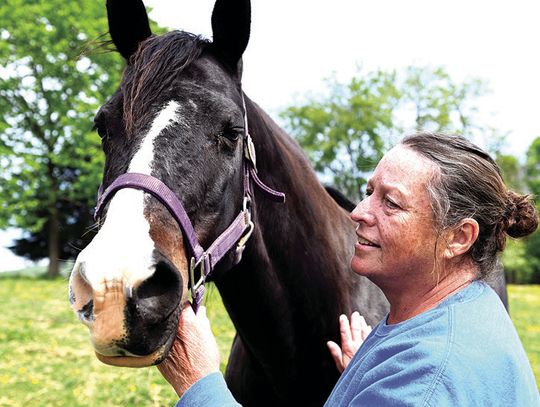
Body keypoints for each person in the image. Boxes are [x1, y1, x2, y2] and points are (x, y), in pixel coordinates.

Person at [157, 133, 540, 406]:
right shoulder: (472, 309)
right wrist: (370, 377)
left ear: (458, 237)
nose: (357, 212)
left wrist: (200, 384)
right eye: (369, 190)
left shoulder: (424, 383)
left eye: (390, 203)